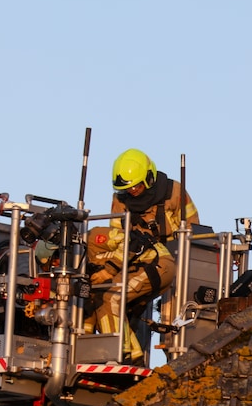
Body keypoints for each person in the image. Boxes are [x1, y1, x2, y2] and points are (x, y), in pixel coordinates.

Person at [85, 148, 200, 363]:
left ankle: (130, 353)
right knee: (110, 299)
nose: (133, 192)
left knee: (170, 323)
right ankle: (126, 352)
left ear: (149, 177)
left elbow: (195, 231)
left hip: (170, 261)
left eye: (136, 186)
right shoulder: (120, 200)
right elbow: (117, 237)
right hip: (133, 259)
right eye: (127, 189)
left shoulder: (174, 192)